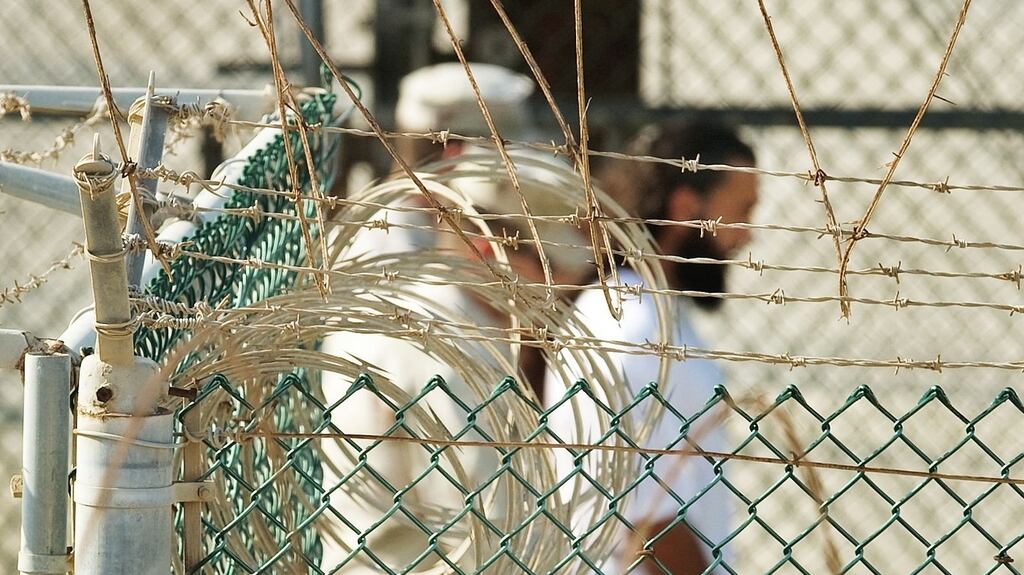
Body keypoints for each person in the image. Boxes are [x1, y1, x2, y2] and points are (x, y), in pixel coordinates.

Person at [544, 121, 759, 574]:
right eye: (742, 212)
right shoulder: (639, 326)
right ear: (685, 207)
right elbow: (651, 518)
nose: (747, 235)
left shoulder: (638, 307)